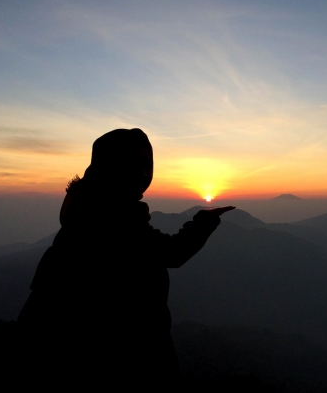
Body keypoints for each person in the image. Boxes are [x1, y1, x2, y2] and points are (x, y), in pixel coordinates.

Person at [17, 128, 234, 389]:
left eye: (147, 164)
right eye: (131, 163)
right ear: (109, 165)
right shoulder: (112, 219)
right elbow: (170, 253)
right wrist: (204, 222)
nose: (143, 173)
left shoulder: (86, 210)